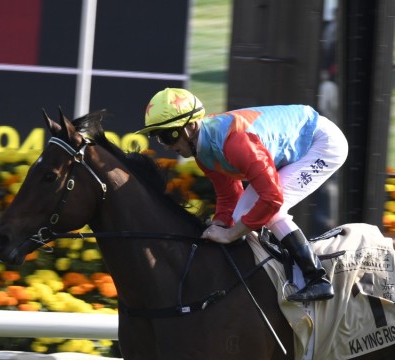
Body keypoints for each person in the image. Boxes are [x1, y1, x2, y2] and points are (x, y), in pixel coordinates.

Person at [138, 88, 348, 302]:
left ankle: (317, 278)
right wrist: (219, 225)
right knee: (242, 216)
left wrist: (231, 234)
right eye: (158, 138)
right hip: (299, 142)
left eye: (168, 136)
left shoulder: (235, 143)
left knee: (269, 211)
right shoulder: (203, 152)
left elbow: (272, 198)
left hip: (323, 143)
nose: (165, 145)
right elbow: (229, 196)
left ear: (191, 126)